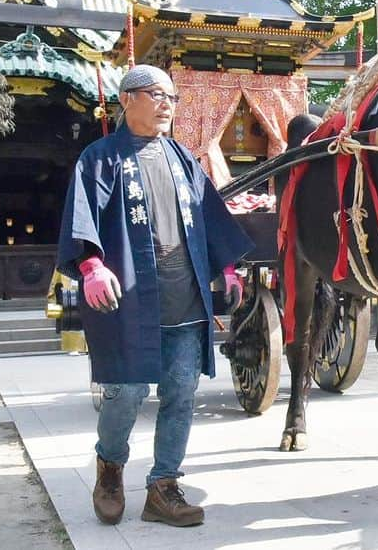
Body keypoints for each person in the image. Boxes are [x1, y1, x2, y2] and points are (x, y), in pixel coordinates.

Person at [58, 65, 253, 528]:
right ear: (127, 100)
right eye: (156, 94)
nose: (167, 104)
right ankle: (110, 467)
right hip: (128, 300)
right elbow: (81, 218)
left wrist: (226, 265)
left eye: (172, 97)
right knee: (125, 392)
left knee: (181, 393)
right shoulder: (100, 158)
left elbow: (209, 216)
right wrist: (91, 266)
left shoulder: (182, 158)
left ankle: (164, 487)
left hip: (183, 299)